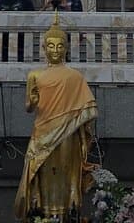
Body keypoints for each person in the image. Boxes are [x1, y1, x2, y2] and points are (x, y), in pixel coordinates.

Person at [15, 14, 97, 219]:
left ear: (66, 48)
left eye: (60, 46)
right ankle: (40, 210)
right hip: (43, 131)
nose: (55, 50)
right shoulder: (34, 75)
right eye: (50, 46)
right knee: (40, 171)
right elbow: (29, 107)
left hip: (67, 133)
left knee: (67, 171)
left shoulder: (75, 77)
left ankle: (67, 211)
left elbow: (87, 109)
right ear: (43, 48)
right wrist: (32, 101)